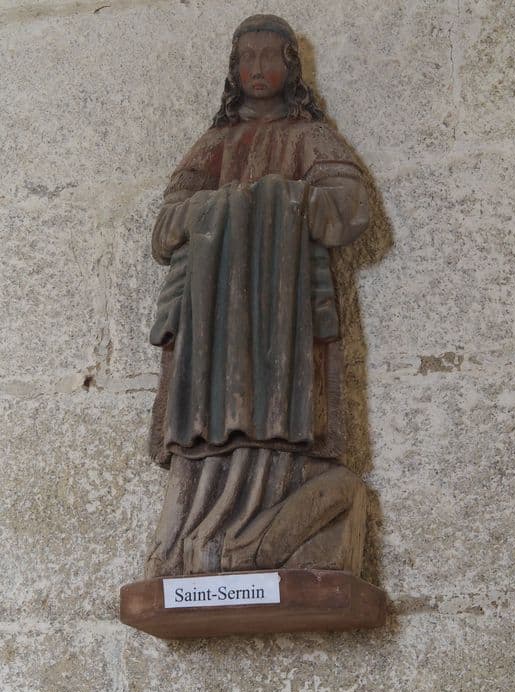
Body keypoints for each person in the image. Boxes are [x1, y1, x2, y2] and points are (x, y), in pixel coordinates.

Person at [145, 14, 370, 578]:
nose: (258, 68)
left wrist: (281, 202)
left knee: (282, 419)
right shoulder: (214, 143)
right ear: (233, 69)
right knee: (206, 423)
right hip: (211, 331)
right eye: (247, 57)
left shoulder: (309, 137)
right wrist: (221, 210)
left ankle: (262, 524)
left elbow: (349, 208)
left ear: (291, 66)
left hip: (283, 322)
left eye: (270, 56)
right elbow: (165, 229)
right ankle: (195, 531)